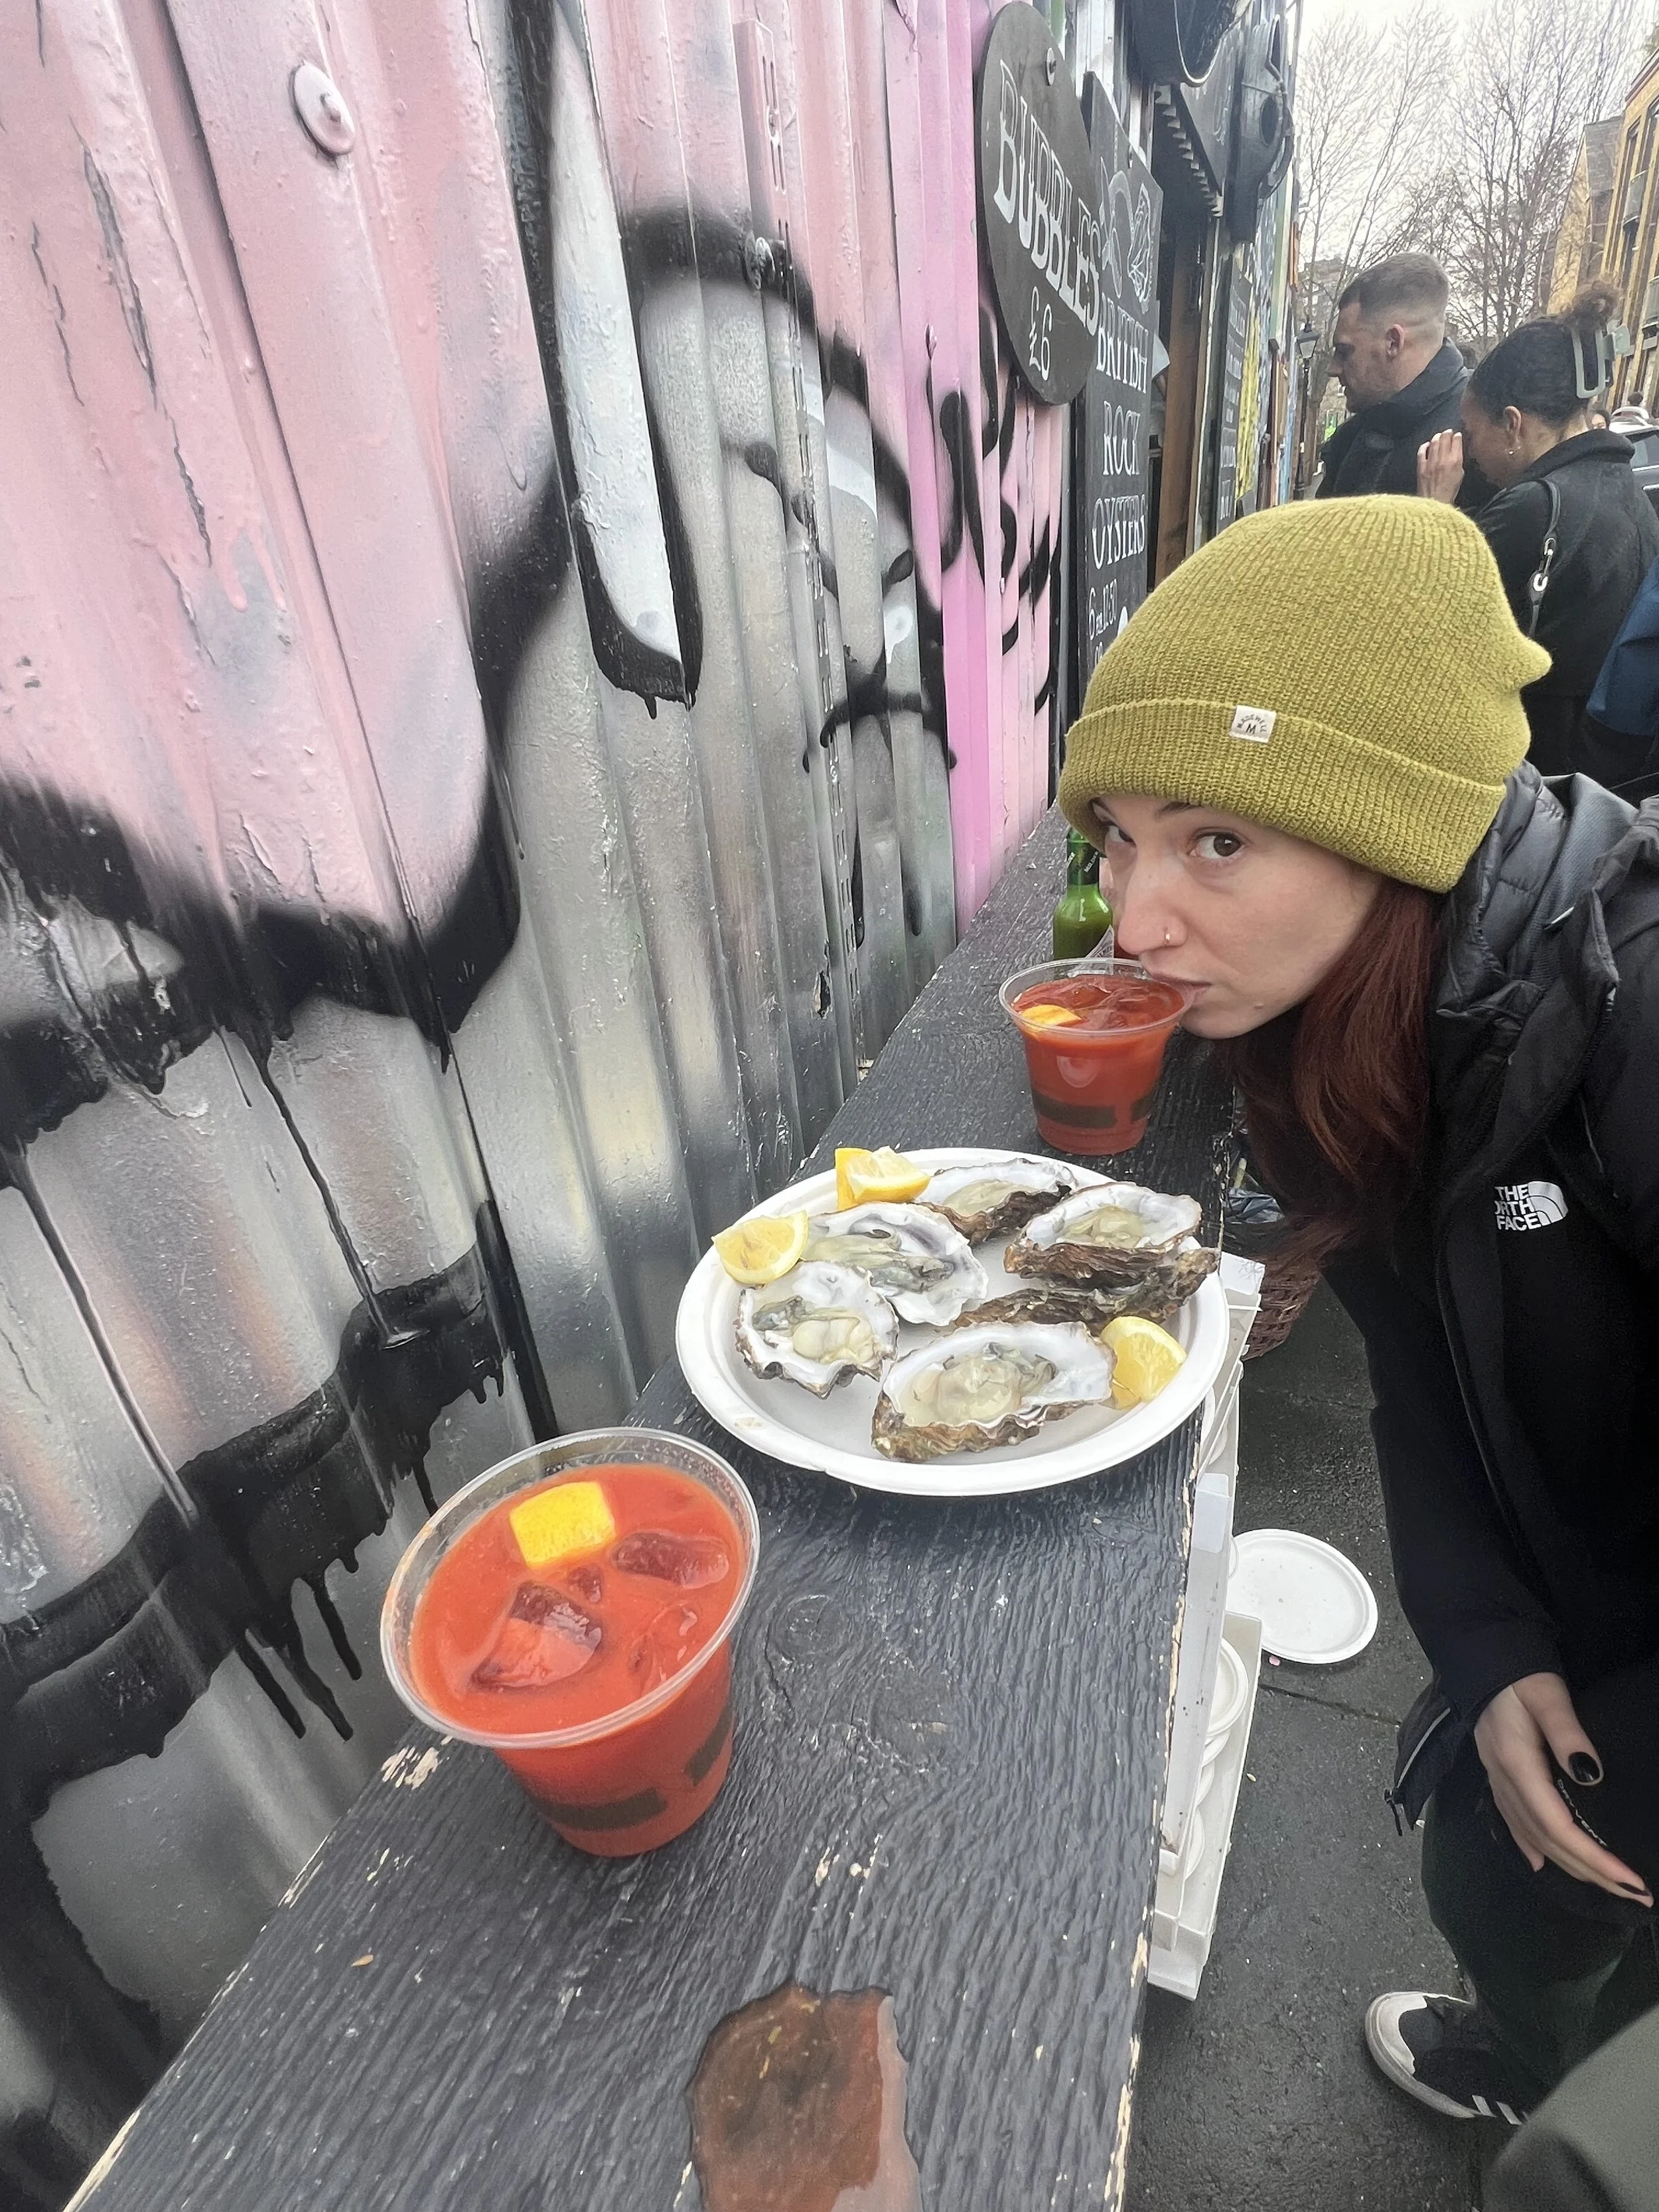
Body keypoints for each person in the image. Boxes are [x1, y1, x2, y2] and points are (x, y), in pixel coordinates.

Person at [1056, 494, 1659, 2128]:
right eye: (1117, 836)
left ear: (1393, 825)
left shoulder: (1628, 1014)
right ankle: (1532, 2068)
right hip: (1572, 1592)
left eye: (1215, 841)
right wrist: (1484, 1632)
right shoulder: (1347, 1025)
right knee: (1504, 1882)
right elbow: (1416, 1360)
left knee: (1549, 1897)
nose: (1136, 920)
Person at [1416, 281, 1659, 775]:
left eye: (1473, 432)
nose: (1470, 452)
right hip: (1597, 775)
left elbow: (1426, 630)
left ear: (1512, 424)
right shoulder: (1630, 494)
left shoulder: (1534, 507)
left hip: (1527, 771)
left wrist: (1434, 515)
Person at [1317, 255, 1469, 498]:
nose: (1333, 369)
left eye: (1344, 352)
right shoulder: (1353, 436)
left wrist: (1435, 513)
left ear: (1393, 343)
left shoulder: (1480, 432)